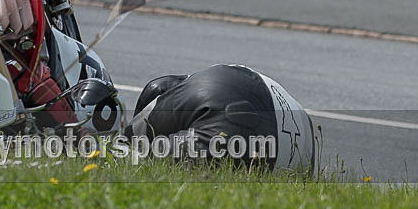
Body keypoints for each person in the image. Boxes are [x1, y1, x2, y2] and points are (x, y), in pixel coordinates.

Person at [125, 64, 315, 173]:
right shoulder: (211, 74)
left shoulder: (167, 96)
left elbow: (131, 138)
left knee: (137, 157)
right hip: (304, 139)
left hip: (228, 120)